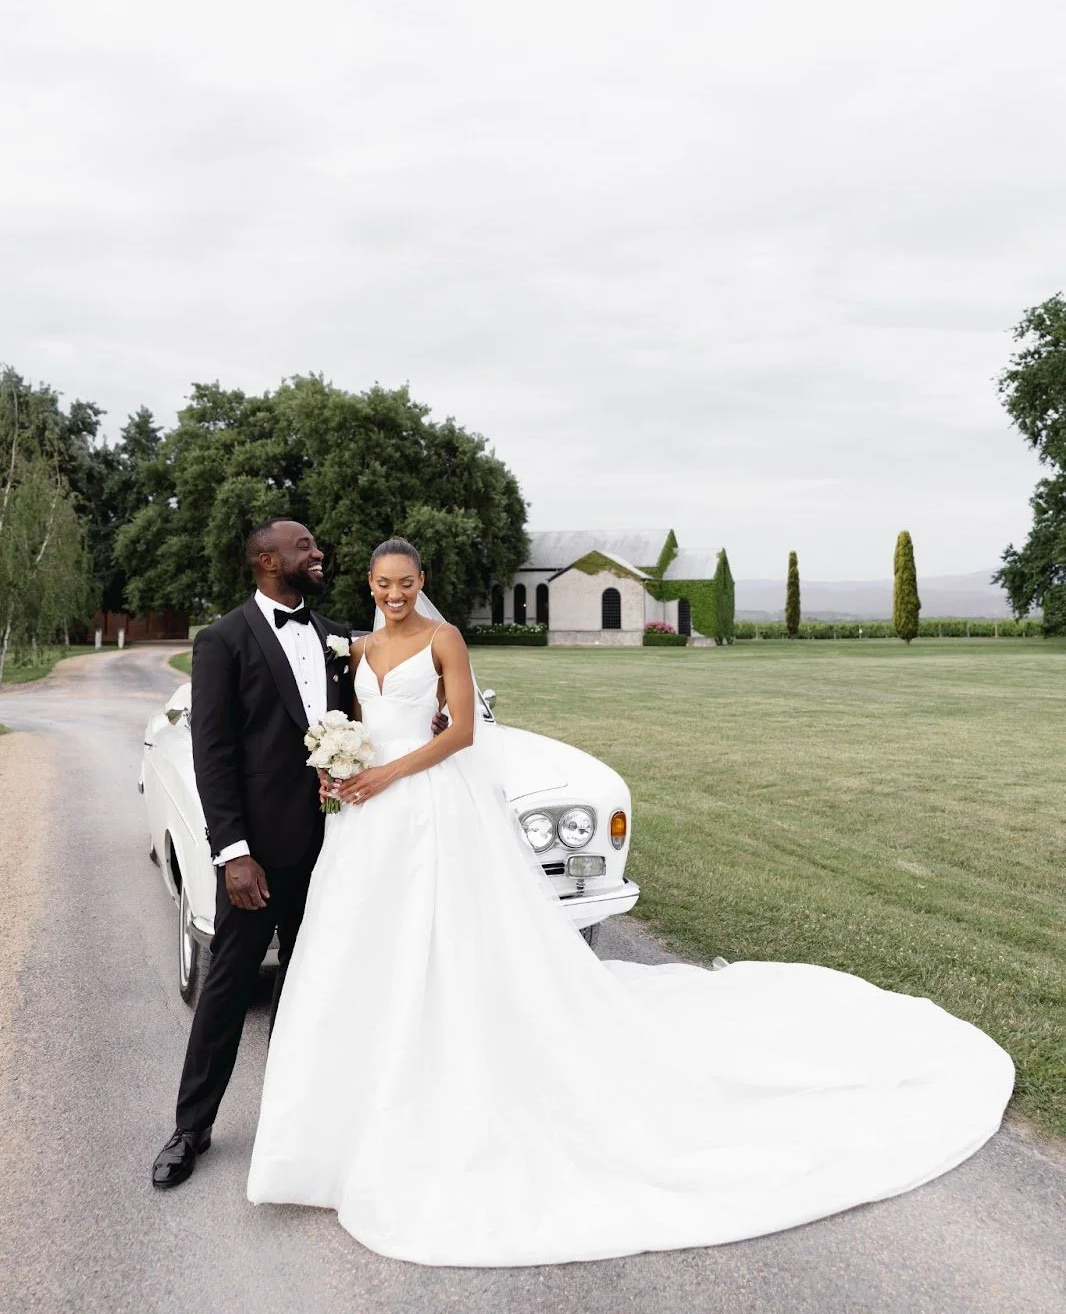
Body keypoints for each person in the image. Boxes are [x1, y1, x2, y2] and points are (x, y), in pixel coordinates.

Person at [246, 536, 1014, 1266]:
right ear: (370, 588)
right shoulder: (360, 649)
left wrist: (389, 774)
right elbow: (347, 723)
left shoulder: (442, 642)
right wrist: (339, 769)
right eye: (382, 585)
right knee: (364, 945)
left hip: (426, 800)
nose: (394, 596)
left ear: (422, 585)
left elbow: (462, 735)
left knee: (450, 934)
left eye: (406, 584)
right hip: (369, 821)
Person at [153, 520, 362, 1187]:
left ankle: (293, 1122)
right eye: (304, 548)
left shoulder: (335, 636)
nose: (317, 554)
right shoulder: (221, 641)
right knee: (227, 990)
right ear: (269, 561)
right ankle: (191, 1129)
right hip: (257, 859)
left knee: (308, 990)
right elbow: (211, 755)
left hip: (329, 849)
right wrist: (234, 854)